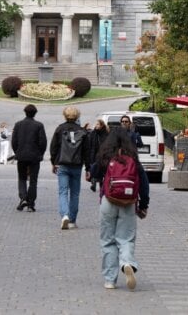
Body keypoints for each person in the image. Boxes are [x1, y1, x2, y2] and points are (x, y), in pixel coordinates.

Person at [89, 129, 149, 291]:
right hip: (128, 203)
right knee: (126, 238)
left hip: (108, 201)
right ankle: (127, 262)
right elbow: (144, 183)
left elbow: (93, 172)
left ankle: (110, 280)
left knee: (108, 241)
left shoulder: (106, 157)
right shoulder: (133, 160)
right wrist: (143, 206)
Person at [49, 105, 92, 230]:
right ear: (77, 116)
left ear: (65, 115)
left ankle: (65, 215)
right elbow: (86, 152)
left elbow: (53, 148)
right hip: (77, 165)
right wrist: (88, 168)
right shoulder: (83, 131)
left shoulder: (60, 129)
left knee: (62, 192)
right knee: (75, 193)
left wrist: (54, 162)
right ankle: (72, 220)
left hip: (63, 163)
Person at [11, 104, 47, 212]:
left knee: (22, 178)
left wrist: (17, 151)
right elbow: (43, 142)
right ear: (35, 113)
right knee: (33, 180)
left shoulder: (18, 124)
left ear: (25, 112)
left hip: (21, 155)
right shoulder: (39, 125)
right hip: (34, 156)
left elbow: (14, 141)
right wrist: (40, 153)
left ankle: (23, 197)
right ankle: (31, 201)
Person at [88, 119, 110, 191]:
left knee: (101, 171)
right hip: (93, 155)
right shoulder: (93, 133)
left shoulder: (106, 134)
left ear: (101, 125)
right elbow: (89, 145)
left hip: (103, 156)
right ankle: (94, 182)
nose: (96, 126)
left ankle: (100, 186)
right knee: (95, 168)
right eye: (96, 124)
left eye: (98, 124)